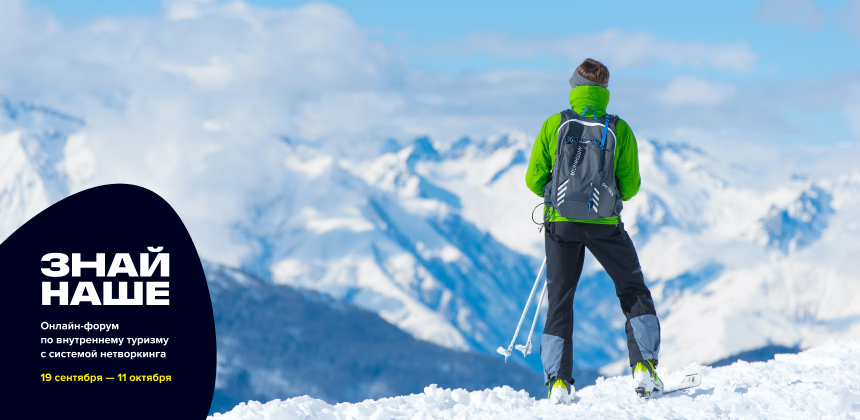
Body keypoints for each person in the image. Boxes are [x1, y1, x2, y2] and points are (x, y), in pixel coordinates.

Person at [524, 58, 662, 404]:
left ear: (574, 87)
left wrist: (557, 195)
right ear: (605, 92)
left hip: (561, 223)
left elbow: (532, 179)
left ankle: (558, 382)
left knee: (560, 298)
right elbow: (630, 186)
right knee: (632, 289)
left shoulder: (554, 125)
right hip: (604, 225)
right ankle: (644, 366)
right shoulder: (619, 128)